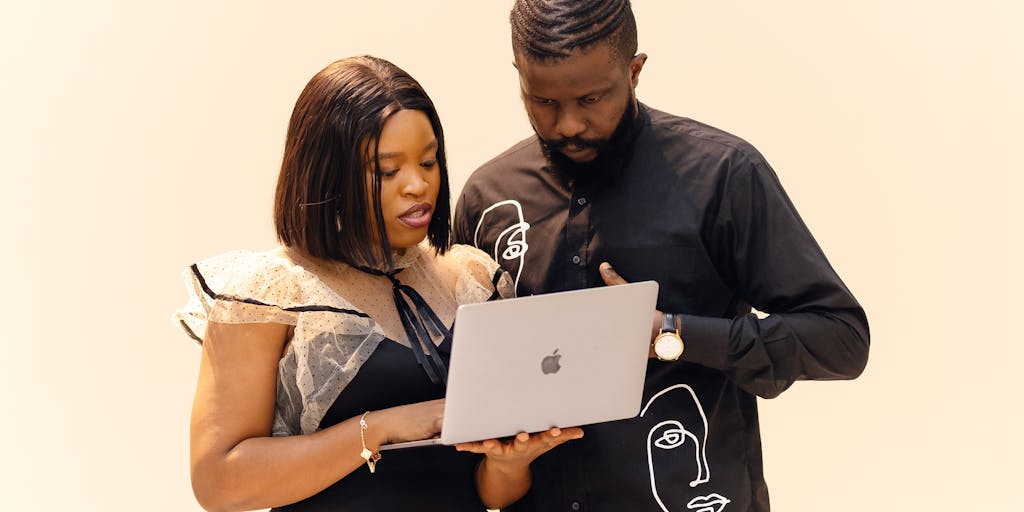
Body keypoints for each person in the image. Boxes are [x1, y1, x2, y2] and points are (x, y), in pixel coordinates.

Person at [453, 1, 871, 510]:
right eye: (541, 100)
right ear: (518, 74)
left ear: (634, 71)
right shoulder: (487, 199)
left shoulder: (723, 175)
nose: (567, 124)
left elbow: (841, 339)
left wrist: (670, 334)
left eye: (590, 98)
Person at [172, 55, 581, 512]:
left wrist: (510, 462)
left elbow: (490, 492)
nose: (417, 185)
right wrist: (383, 427)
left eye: (428, 162)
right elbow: (219, 482)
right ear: (325, 174)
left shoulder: (471, 279)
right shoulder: (270, 293)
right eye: (388, 171)